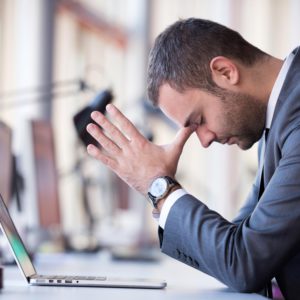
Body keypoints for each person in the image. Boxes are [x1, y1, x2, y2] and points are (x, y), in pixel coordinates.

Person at [86, 18, 300, 299]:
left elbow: (245, 262)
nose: (205, 139)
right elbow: (236, 247)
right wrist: (160, 189)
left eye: (199, 120)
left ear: (225, 71)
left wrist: (159, 188)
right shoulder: (278, 114)